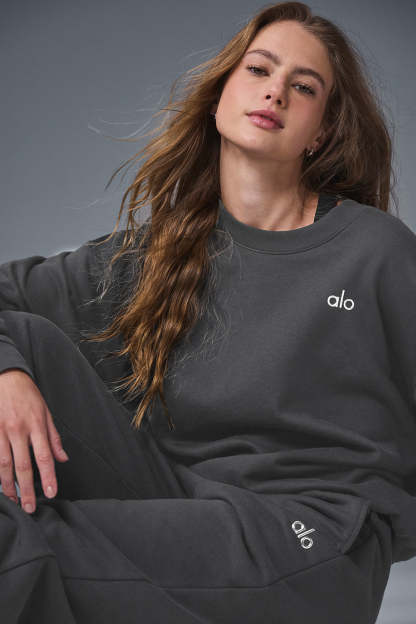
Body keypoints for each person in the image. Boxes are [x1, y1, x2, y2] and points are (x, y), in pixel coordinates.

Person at [0, 2, 414, 622]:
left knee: (22, 545)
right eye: (259, 70)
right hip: (181, 508)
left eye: (304, 87)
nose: (276, 91)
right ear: (220, 96)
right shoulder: (159, 255)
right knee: (21, 338)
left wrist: (373, 533)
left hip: (306, 535)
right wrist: (6, 372)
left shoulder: (374, 251)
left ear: (321, 133)